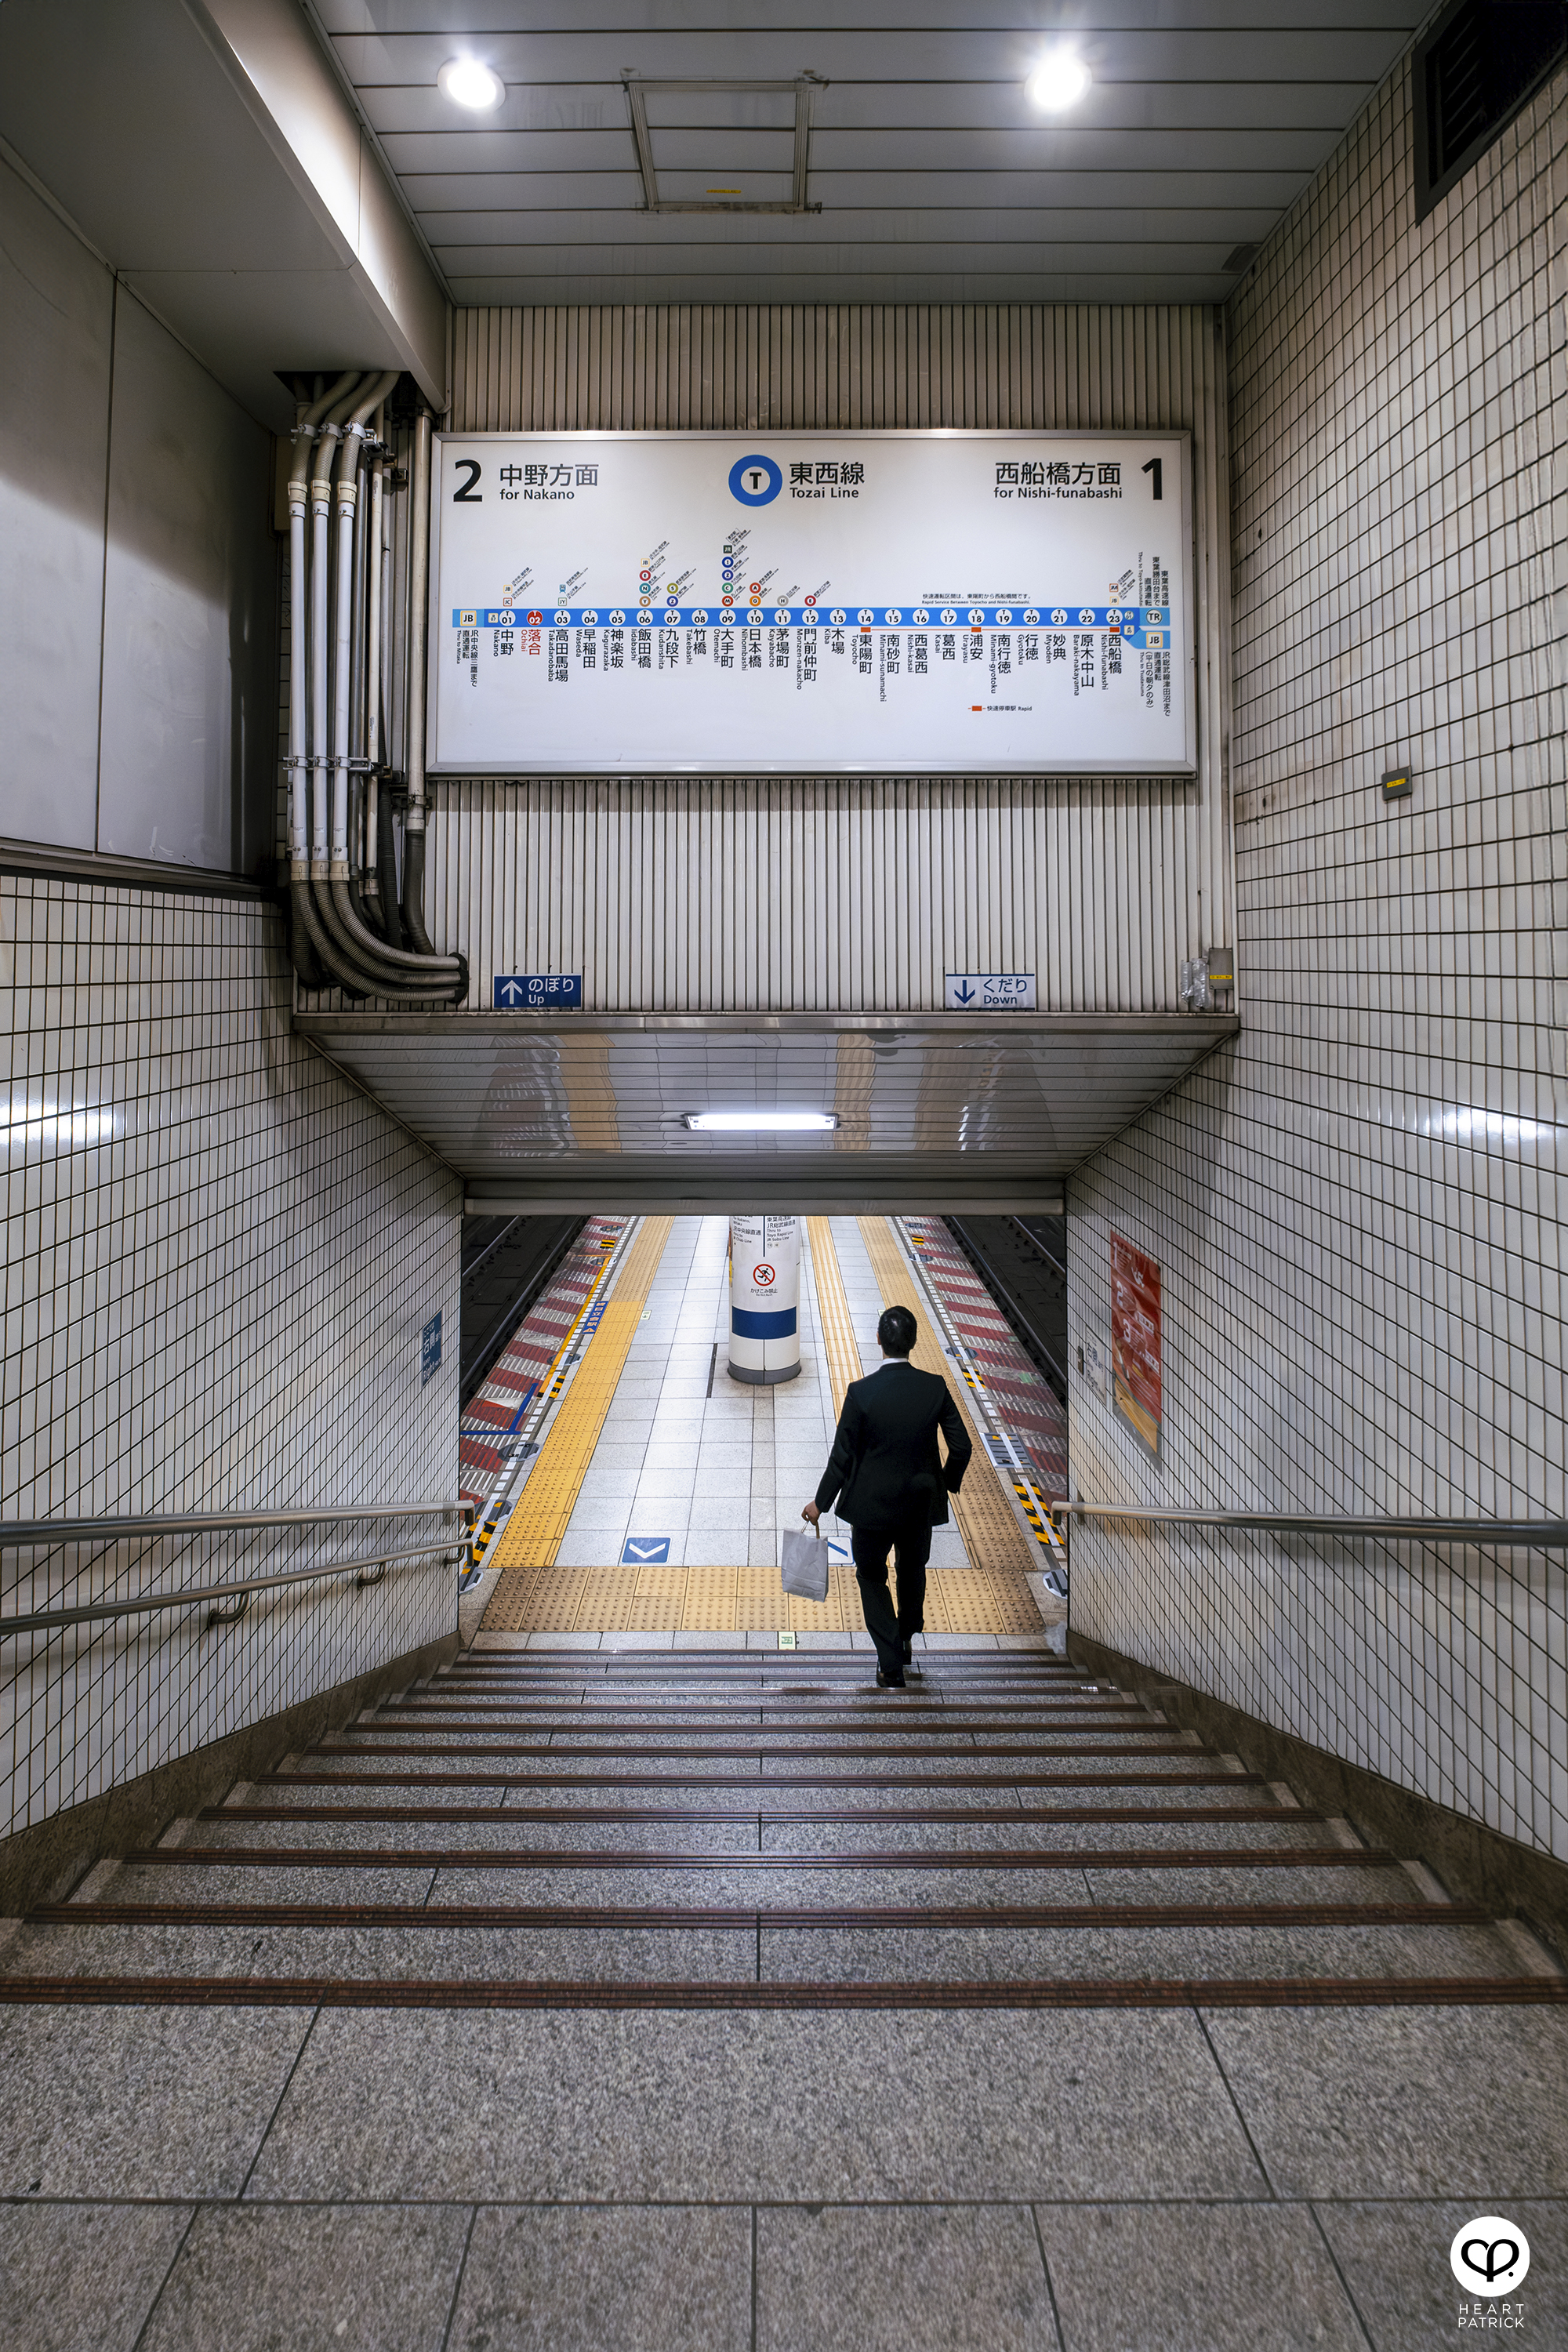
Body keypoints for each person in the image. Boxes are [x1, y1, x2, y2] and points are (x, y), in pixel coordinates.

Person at [802, 1303, 972, 1688]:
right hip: (918, 1507)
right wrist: (944, 1483)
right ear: (913, 1342)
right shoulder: (935, 1387)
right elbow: (961, 1448)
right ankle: (907, 1635)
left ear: (879, 1341)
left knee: (872, 1576)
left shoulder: (861, 1393)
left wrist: (820, 1504)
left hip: (871, 1510)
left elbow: (841, 1456)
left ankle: (889, 1663)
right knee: (913, 1570)